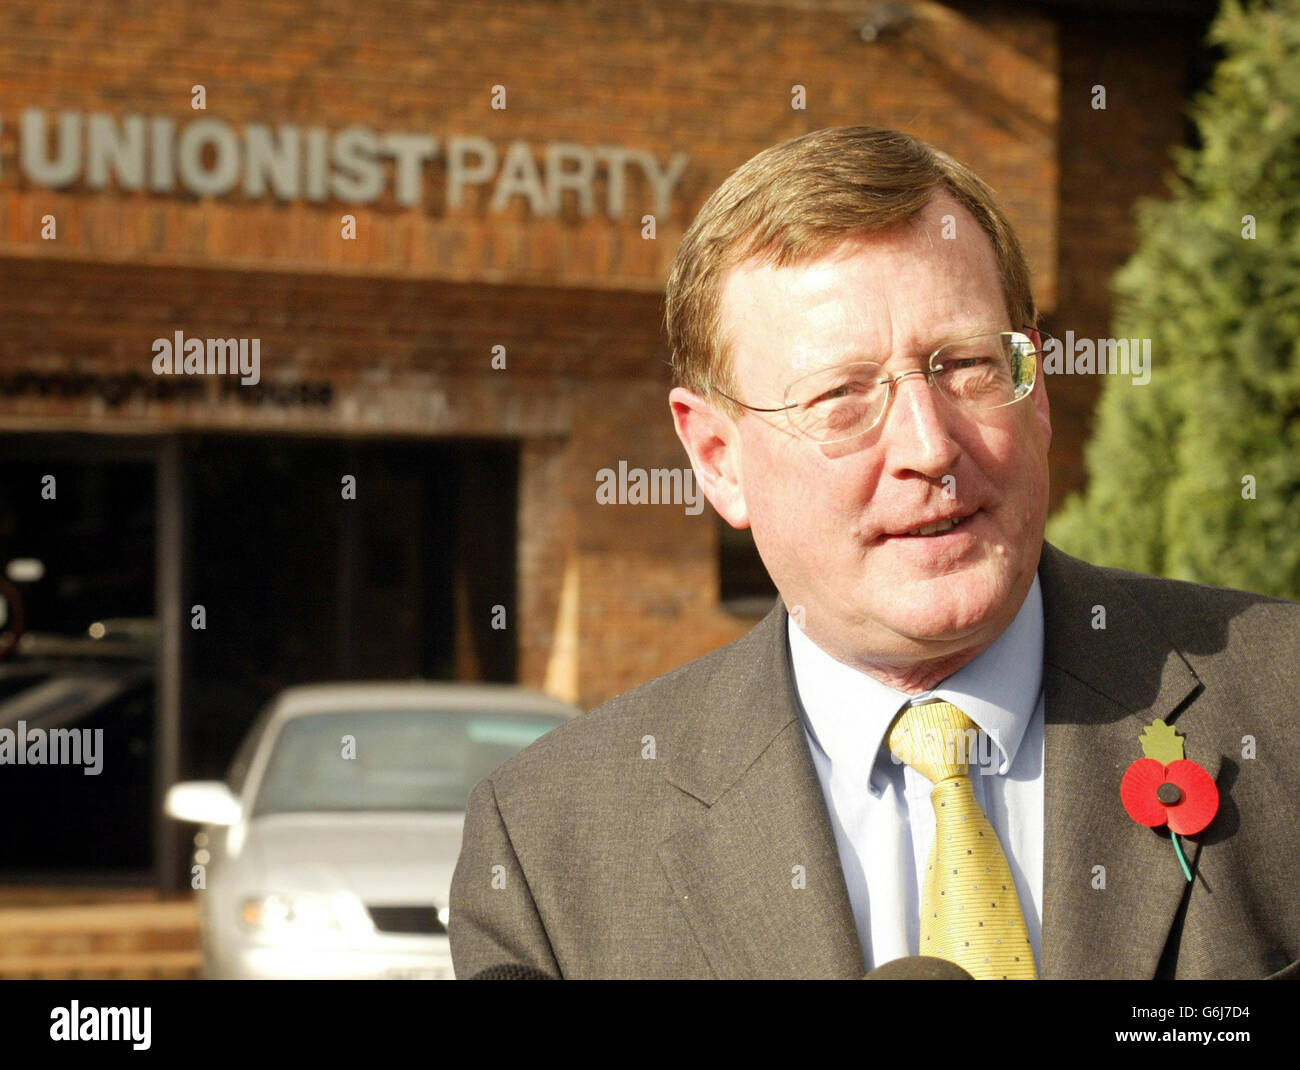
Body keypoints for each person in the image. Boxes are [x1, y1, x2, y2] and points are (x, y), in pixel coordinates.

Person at [448, 125, 1300, 979]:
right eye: (842, 396)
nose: (930, 447)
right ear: (718, 460)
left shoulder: (1282, 704)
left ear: (1034, 392)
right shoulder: (552, 850)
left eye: (966, 364)